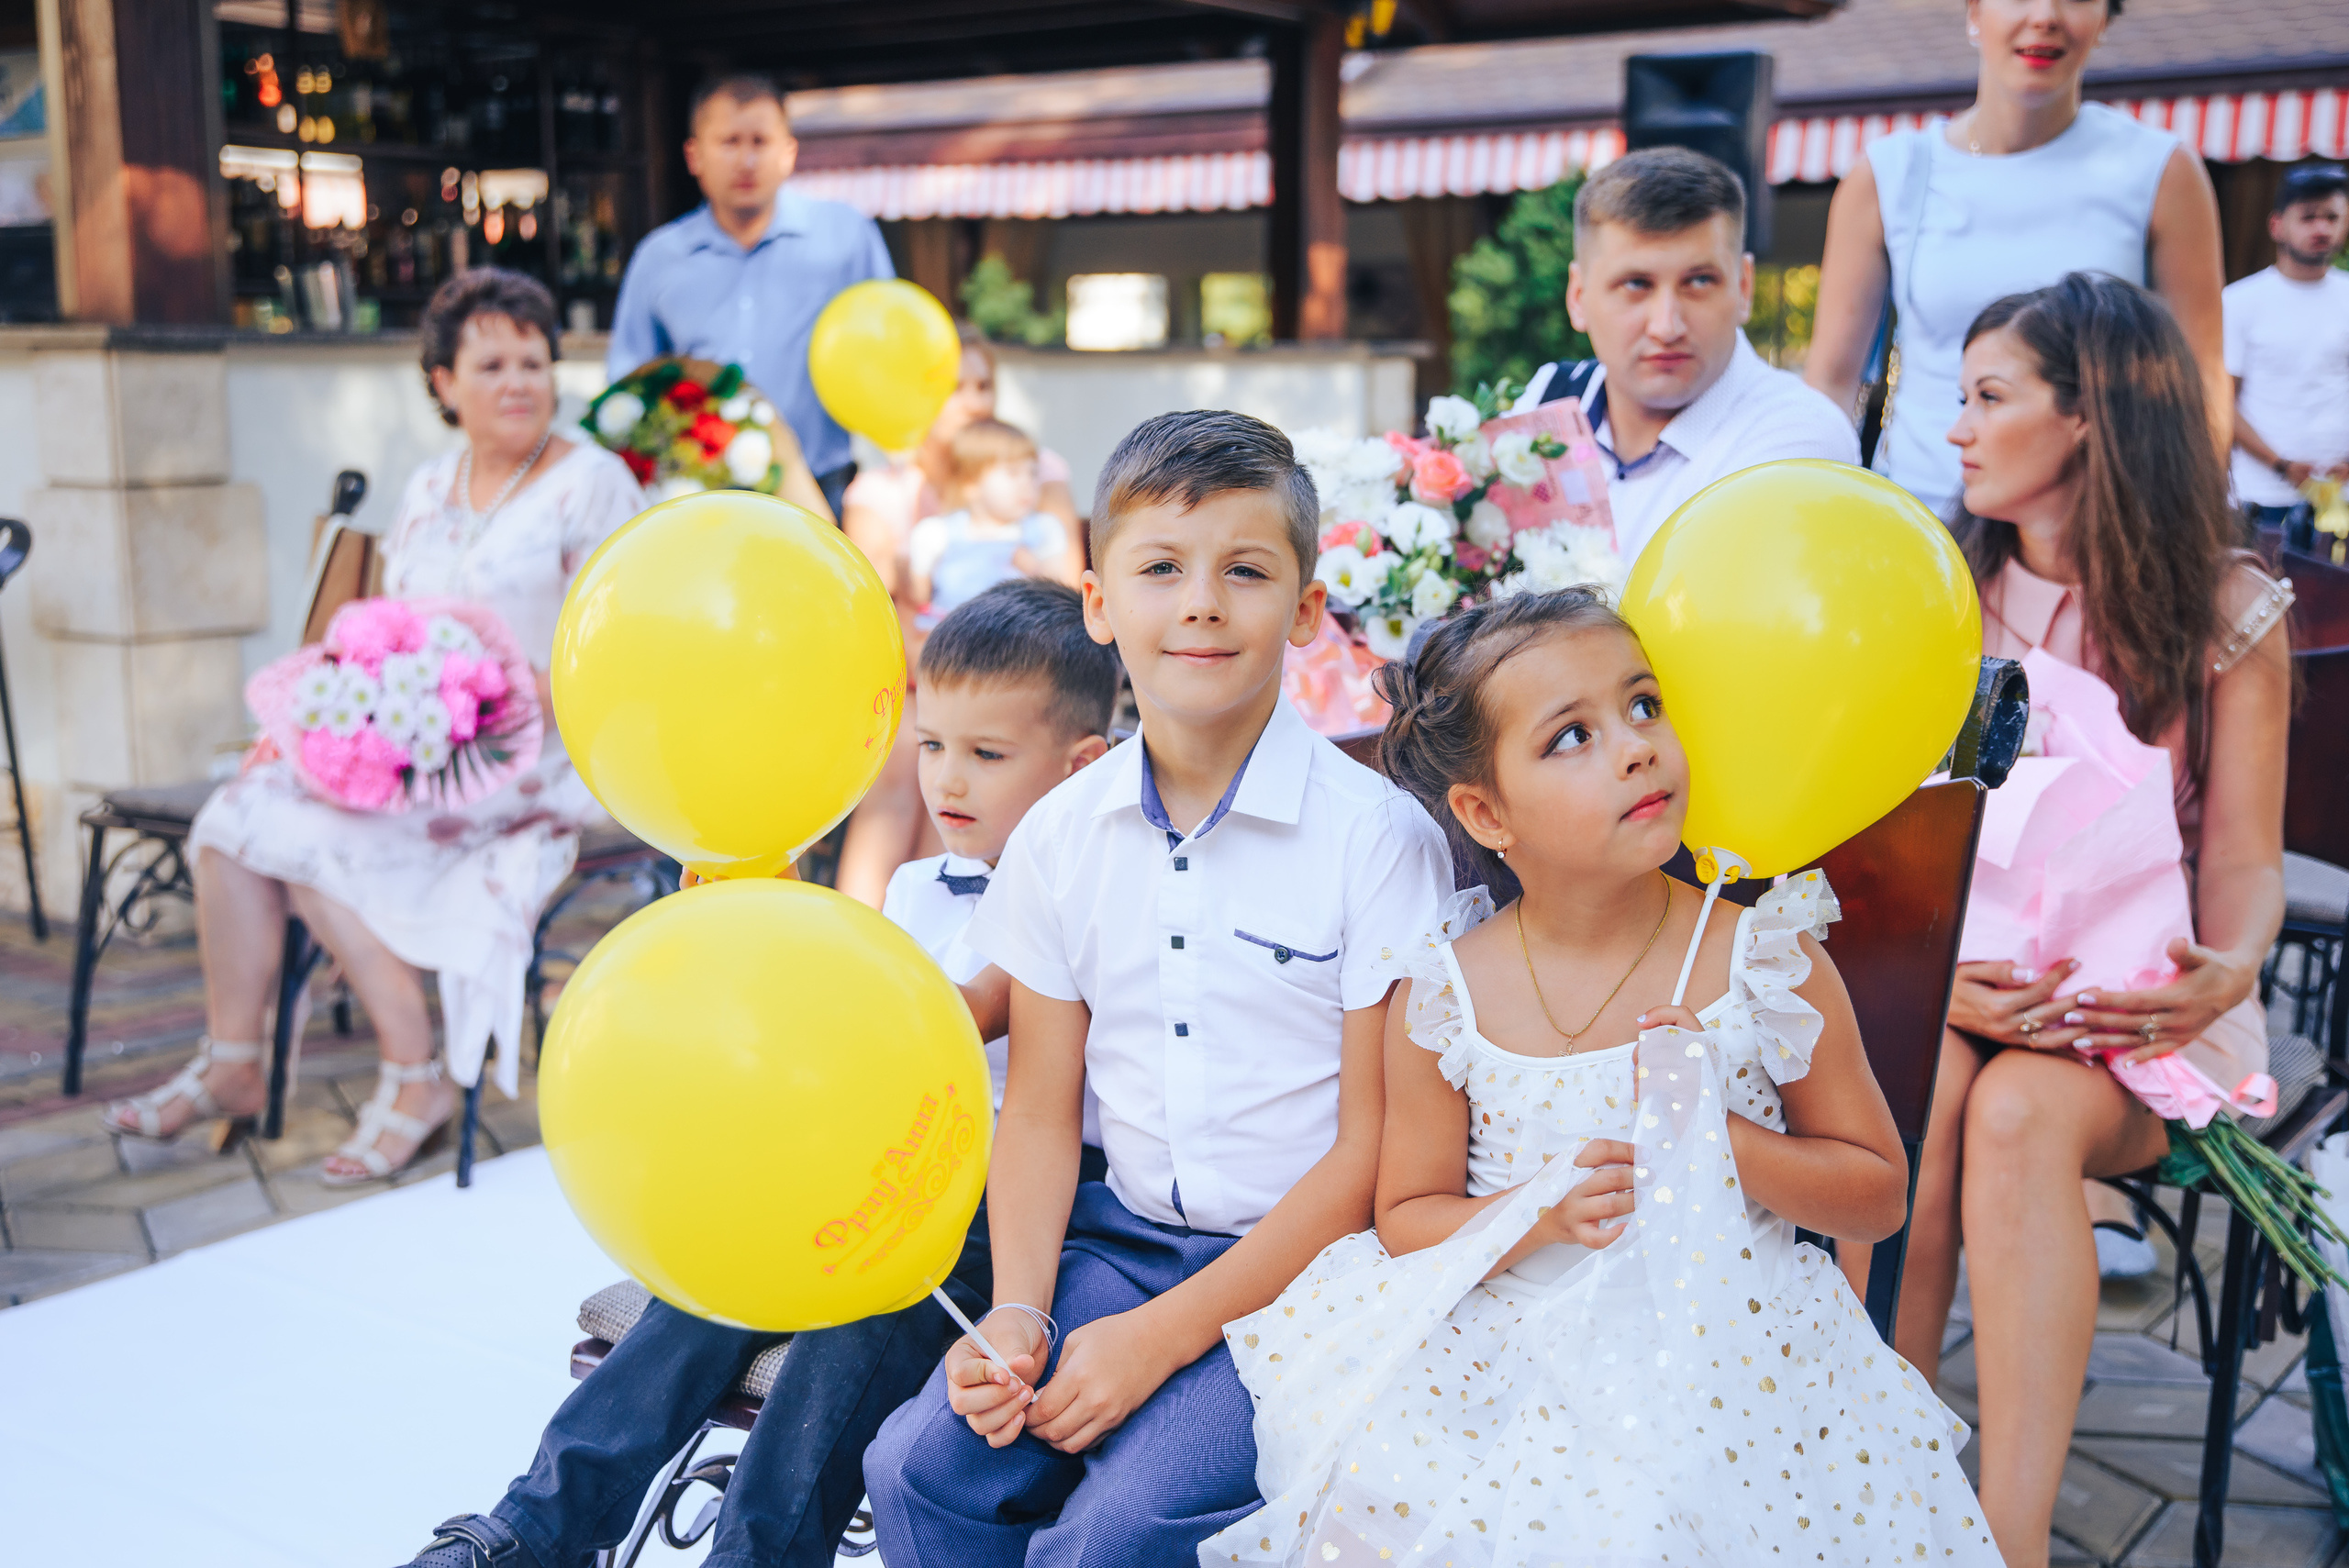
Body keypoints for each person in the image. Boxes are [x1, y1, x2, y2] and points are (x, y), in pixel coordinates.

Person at [1199, 588, 1998, 1565]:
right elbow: (1407, 1212)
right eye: (1571, 736)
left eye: (1644, 705)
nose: (1633, 746)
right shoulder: (1446, 991)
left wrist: (1718, 1134)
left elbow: (1875, 1193)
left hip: (1726, 1353)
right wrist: (1535, 1210)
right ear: (1485, 811)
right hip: (1507, 1347)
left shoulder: (1762, 958)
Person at [396, 578, 1122, 1568]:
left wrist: (806, 955)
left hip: (1003, 1214)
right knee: (718, 1280)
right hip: (867, 1168)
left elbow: (936, 1023)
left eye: (986, 754)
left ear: (1083, 767)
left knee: (852, 1313)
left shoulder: (1088, 894)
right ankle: (534, 1528)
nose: (948, 779)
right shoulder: (918, 885)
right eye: (932, 746)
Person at [860, 411, 1453, 1567]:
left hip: (1310, 1277)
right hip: (1113, 1244)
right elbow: (1037, 1106)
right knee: (916, 1467)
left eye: (1245, 570)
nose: (1200, 603)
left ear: (1308, 609)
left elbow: (1372, 1152)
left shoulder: (1375, 840)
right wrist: (1022, 1313)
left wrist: (1161, 1338)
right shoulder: (1061, 836)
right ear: (1097, 603)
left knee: (1118, 1528)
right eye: (1161, 569)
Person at [1848, 273, 2290, 1568]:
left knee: (2024, 1112)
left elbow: (2247, 860)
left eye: (1991, 397)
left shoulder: (2226, 608)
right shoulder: (1935, 590)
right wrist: (1937, 982)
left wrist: (2228, 971)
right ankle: (1878, 1486)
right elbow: (1891, 842)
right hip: (1970, 989)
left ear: (2091, 411)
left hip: (2148, 1007)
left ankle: (2013, 1541)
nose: (1960, 430)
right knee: (1919, 1087)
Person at [102, 270, 642, 1184]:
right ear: (443, 382)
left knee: (313, 832)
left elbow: (616, 643)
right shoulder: (432, 483)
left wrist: (480, 705)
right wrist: (336, 720)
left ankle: (414, 1072)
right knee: (240, 817)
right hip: (421, 746)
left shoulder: (592, 483)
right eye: (492, 363)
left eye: (534, 361)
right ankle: (234, 1057)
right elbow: (390, 627)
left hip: (533, 757)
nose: (519, 381)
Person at [1807, 0, 2229, 516]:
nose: (2045, 15)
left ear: (2104, 20)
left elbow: (2199, 378)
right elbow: (1831, 381)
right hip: (1921, 524)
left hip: (2092, 534)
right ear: (1974, 13)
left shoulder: (2162, 171)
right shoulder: (1889, 174)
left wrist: (2200, 530)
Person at [1508, 145, 1857, 567]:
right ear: (1578, 297)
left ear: (1743, 288)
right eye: (1636, 284)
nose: (1666, 326)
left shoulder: (1797, 438)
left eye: (1698, 281)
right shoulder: (1550, 398)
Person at [835, 331, 1083, 908]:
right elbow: (871, 608)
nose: (976, 401)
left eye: (984, 385)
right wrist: (939, 668)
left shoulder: (1033, 470)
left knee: (954, 743)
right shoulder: (885, 490)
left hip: (1016, 661)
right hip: (911, 667)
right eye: (954, 388)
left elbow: (1062, 590)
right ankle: (863, 924)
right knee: (905, 753)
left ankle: (942, 923)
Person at [607, 73, 891, 520]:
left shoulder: (846, 237)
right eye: (729, 142)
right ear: (694, 155)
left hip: (822, 485)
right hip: (703, 498)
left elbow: (889, 351)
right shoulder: (659, 258)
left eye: (760, 141)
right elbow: (631, 381)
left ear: (788, 153)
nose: (746, 160)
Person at [2225, 162, 2349, 528]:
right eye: (2308, 217)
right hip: (2263, 498)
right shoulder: (2240, 300)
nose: (2322, 228)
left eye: (2332, 217)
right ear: (2277, 225)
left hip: (2340, 496)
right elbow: (2218, 399)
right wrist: (2281, 465)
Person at [906, 417, 1085, 632]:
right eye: (1013, 473)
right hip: (954, 639)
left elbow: (1061, 593)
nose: (1027, 483)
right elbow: (919, 596)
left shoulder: (1043, 529)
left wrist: (1037, 571)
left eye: (1032, 473)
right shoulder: (939, 533)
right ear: (970, 484)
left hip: (1021, 640)